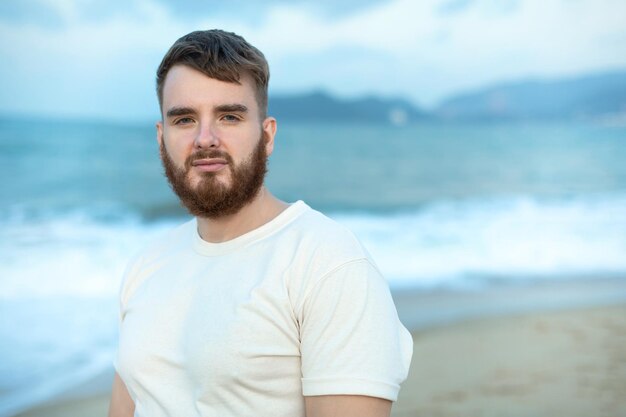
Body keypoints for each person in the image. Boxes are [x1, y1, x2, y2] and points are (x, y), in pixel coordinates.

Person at [108, 29, 412, 417]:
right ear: (161, 136)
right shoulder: (145, 266)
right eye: (184, 119)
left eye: (229, 116)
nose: (205, 139)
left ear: (266, 136)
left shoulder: (327, 264)